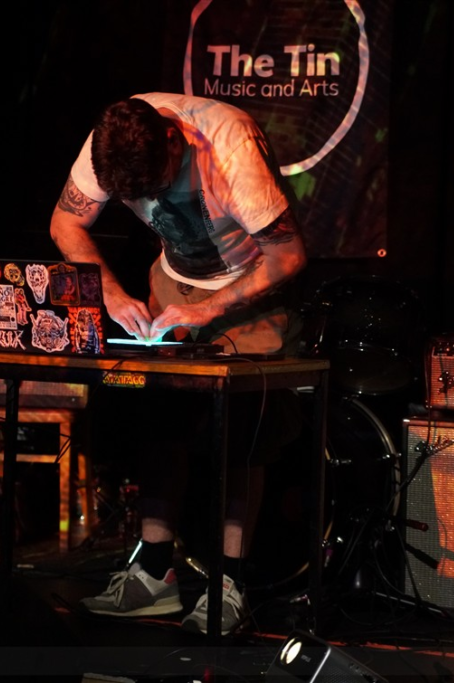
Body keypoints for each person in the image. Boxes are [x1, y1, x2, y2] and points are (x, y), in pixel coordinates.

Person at [49, 93, 307, 635]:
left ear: (173, 140)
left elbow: (288, 255)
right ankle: (152, 575)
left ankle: (230, 585)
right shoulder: (109, 142)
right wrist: (111, 293)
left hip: (249, 283)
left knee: (242, 434)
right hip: (175, 280)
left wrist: (210, 309)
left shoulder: (230, 147)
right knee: (160, 421)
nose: (148, 202)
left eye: (156, 185)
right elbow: (66, 224)